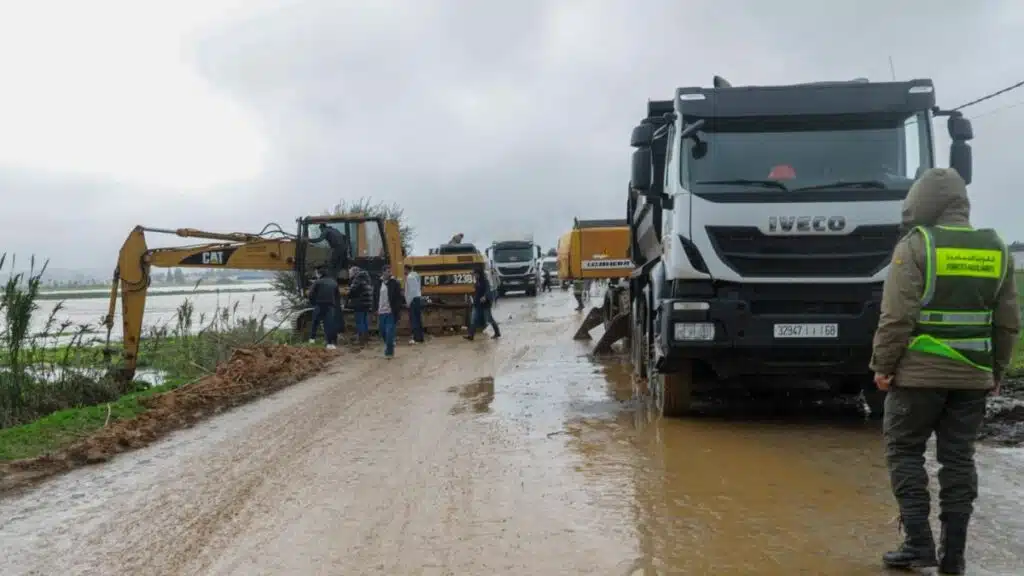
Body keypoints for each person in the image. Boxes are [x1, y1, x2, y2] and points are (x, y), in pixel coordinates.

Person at [870, 167, 1020, 573]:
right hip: (973, 378)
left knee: (904, 452)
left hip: (917, 378)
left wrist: (882, 367)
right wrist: (997, 371)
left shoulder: (916, 245)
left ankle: (918, 543)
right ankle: (954, 556)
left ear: (921, 201)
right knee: (958, 460)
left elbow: (896, 317)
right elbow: (1007, 321)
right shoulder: (996, 248)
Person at [306, 267, 340, 350]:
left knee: (315, 322)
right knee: (329, 324)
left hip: (319, 304)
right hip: (330, 306)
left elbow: (310, 294)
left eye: (316, 273)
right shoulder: (334, 282)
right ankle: (330, 343)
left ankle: (312, 340)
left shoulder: (317, 282)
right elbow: (337, 295)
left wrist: (313, 303)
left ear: (319, 274)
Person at [465, 267, 500, 340]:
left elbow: (488, 290)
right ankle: (471, 335)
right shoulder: (477, 281)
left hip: (485, 304)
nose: (473, 275)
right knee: (473, 319)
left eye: (474, 274)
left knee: (489, 319)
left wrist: (485, 296)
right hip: (477, 303)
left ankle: (497, 332)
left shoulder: (485, 281)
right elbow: (475, 292)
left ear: (478, 274)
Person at [377, 265, 405, 358]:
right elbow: (374, 296)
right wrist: (374, 308)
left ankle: (389, 352)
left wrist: (397, 307)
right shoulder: (378, 283)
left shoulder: (395, 283)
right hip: (381, 312)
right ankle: (389, 344)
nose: (390, 273)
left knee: (389, 332)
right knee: (383, 332)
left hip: (390, 312)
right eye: (388, 271)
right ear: (383, 272)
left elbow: (399, 297)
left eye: (390, 271)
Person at [347, 265, 373, 346]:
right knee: (364, 320)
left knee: (359, 321)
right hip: (367, 302)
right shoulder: (366, 278)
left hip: (360, 303)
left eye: (350, 273)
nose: (349, 275)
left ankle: (360, 339)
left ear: (354, 272)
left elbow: (352, 290)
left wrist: (348, 292)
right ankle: (365, 337)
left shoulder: (357, 278)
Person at [405, 265, 424, 344]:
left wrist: (408, 302)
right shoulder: (416, 275)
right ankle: (420, 338)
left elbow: (411, 291)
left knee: (414, 320)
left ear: (406, 269)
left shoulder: (410, 277)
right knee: (418, 319)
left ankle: (416, 338)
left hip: (413, 300)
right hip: (418, 298)